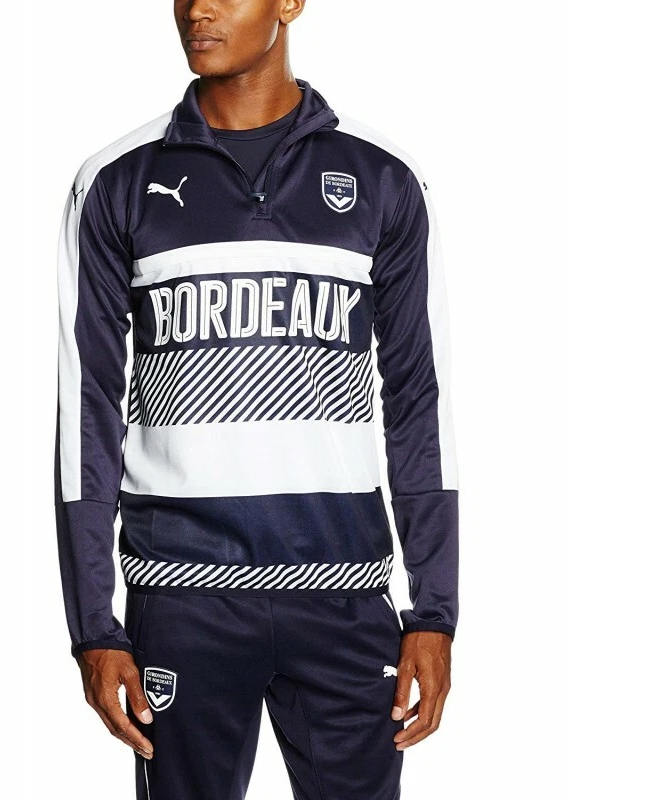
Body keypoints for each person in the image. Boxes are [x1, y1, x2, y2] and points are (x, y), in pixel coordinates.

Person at [55, 1, 459, 797]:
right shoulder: (116, 180)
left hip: (345, 599)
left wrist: (435, 611)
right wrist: (93, 627)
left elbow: (420, 400)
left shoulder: (383, 177)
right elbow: (87, 410)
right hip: (182, 599)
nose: (197, 8)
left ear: (291, 2)